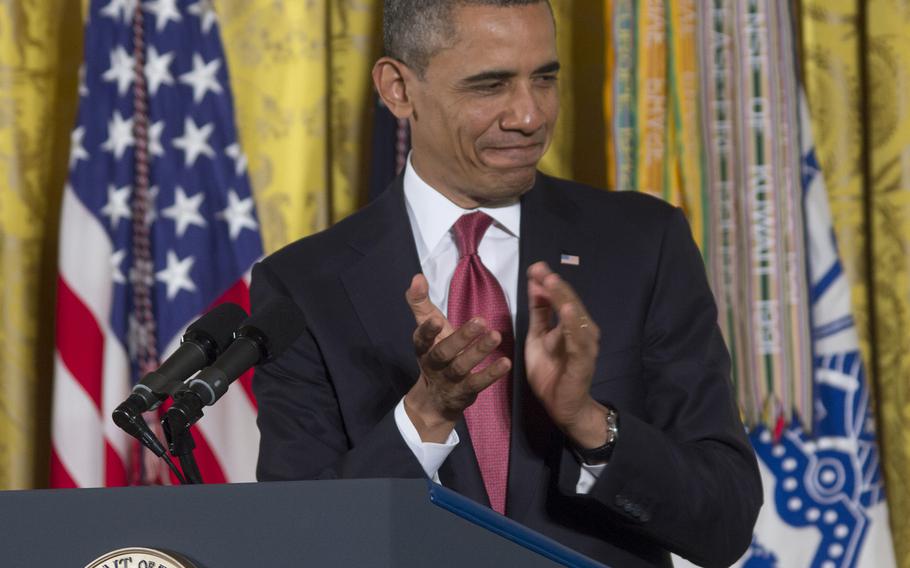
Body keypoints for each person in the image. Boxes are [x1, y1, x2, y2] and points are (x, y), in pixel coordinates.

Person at [251, 1, 762, 566]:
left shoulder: (643, 244)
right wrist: (426, 415)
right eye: (489, 85)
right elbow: (296, 543)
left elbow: (727, 520)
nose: (529, 115)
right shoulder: (303, 286)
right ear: (398, 89)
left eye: (544, 78)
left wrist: (589, 422)